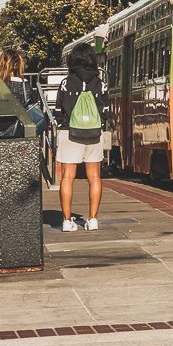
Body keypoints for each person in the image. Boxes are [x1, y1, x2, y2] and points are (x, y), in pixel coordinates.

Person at [56, 42, 109, 232]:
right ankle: (93, 219)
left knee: (67, 177)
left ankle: (67, 221)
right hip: (94, 133)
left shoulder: (65, 83)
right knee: (94, 176)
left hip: (69, 132)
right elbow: (105, 111)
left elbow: (58, 110)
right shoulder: (100, 83)